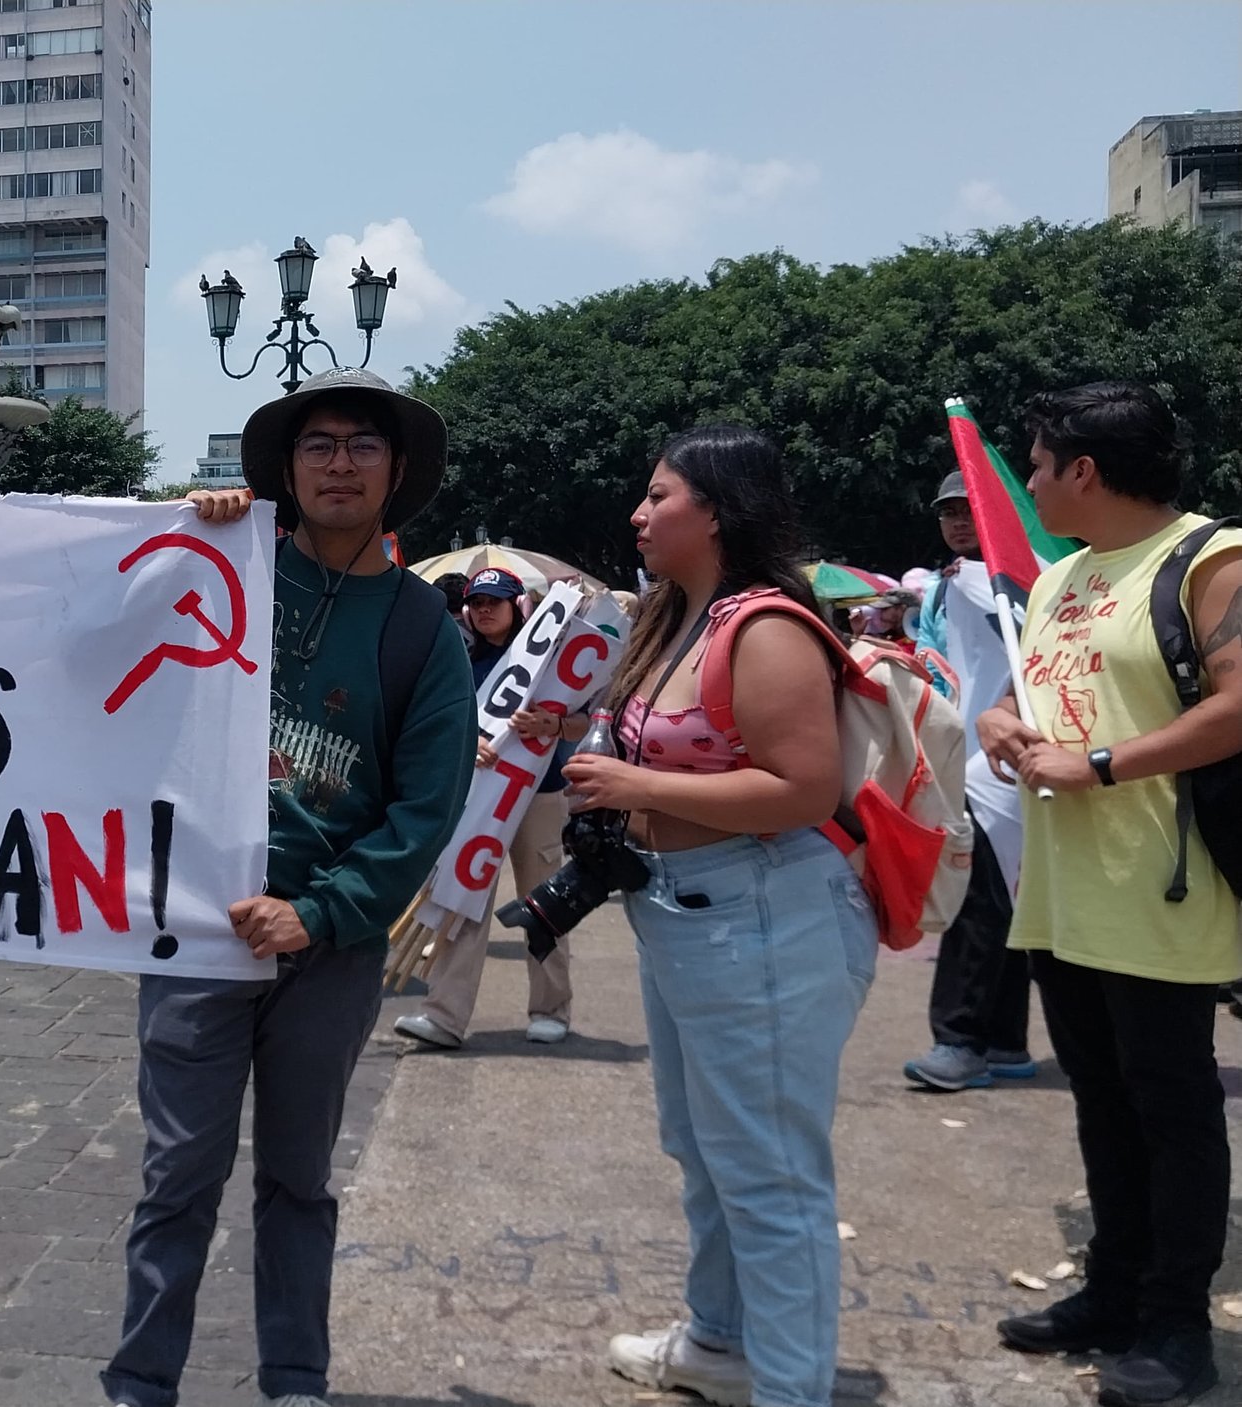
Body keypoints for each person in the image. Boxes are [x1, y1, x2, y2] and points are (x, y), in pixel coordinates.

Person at [104, 368, 476, 1407]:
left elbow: (425, 807)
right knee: (175, 1175)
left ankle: (295, 1377)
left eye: (363, 445)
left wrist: (320, 913)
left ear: (395, 471)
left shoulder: (421, 630)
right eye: (318, 445)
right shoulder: (220, 575)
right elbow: (92, 628)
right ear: (285, 467)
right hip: (194, 934)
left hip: (330, 951)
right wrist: (183, 531)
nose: (340, 463)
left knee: (297, 1177)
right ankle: (141, 1380)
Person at [559, 426, 869, 1407]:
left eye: (658, 497)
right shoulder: (675, 616)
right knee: (703, 1153)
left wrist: (631, 780)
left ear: (719, 509)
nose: (638, 515)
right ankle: (719, 1343)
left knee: (773, 1183)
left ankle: (788, 1388)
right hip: (682, 918)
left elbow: (803, 791)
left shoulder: (765, 627)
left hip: (760, 920)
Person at [978, 383, 1241, 1406]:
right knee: (1100, 1101)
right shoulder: (1062, 577)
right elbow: (1026, 689)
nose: (1029, 482)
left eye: (1037, 464)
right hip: (1065, 885)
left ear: (1082, 470)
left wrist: (1099, 763)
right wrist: (1002, 724)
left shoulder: (1208, 560)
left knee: (1171, 1107)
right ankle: (1114, 1287)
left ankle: (1177, 1326)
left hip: (1160, 881)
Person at [394, 567, 579, 1048]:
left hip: (537, 794)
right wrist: (464, 740)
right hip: (477, 793)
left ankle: (551, 1008)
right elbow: (431, 717)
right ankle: (445, 1015)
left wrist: (554, 727)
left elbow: (596, 717)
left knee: (543, 900)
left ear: (517, 606)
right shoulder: (454, 656)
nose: (484, 610)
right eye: (477, 602)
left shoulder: (554, 658)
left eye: (494, 601)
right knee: (461, 899)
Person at [901, 472, 1035, 1093]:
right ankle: (1004, 1040)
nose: (957, 522)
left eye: (968, 509)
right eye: (946, 511)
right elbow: (937, 673)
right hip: (964, 764)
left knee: (975, 904)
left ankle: (959, 1039)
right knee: (998, 902)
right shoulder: (940, 590)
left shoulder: (1035, 582)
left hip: (1010, 769)